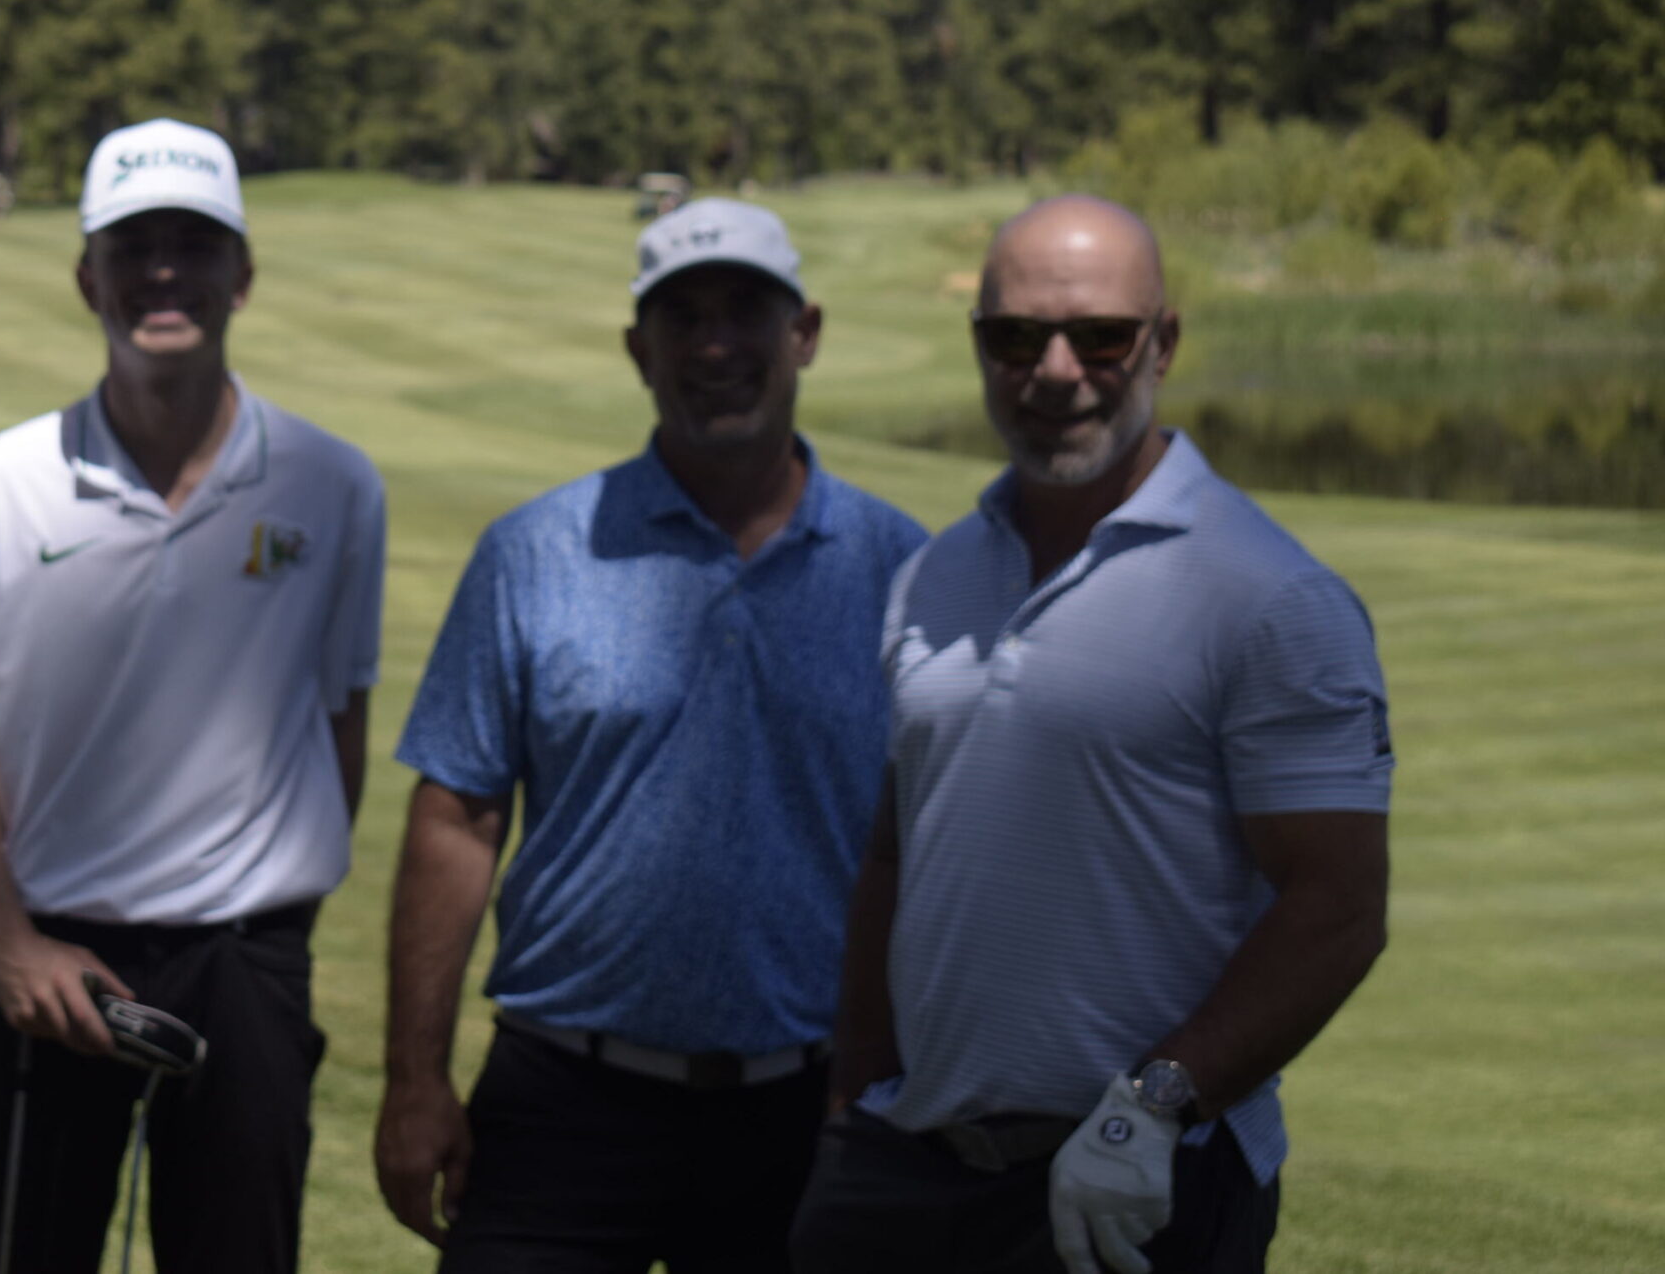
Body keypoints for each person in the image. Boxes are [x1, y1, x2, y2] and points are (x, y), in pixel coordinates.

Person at [792, 195, 1393, 1274]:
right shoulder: (934, 574)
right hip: (908, 1173)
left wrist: (1155, 1103)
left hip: (1141, 1180)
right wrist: (853, 1104)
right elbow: (897, 851)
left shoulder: (1267, 596)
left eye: (1100, 336)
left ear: (1163, 341)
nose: (1056, 370)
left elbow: (1338, 906)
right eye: (1014, 337)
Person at [375, 198, 928, 1272]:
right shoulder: (536, 552)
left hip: (812, 1107)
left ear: (803, 331)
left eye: (744, 313)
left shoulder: (901, 569)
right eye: (682, 319)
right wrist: (413, 1080)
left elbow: (937, 846)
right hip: (562, 1101)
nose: (714, 345)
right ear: (639, 350)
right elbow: (457, 816)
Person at [0, 118, 387, 1274]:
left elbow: (341, 724)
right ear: (88, 277)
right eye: (133, 248)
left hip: (245, 962)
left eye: (193, 244)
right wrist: (9, 942)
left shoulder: (331, 484)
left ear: (242, 272)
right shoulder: (0, 485)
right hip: (50, 959)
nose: (163, 274)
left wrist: (271, 927)